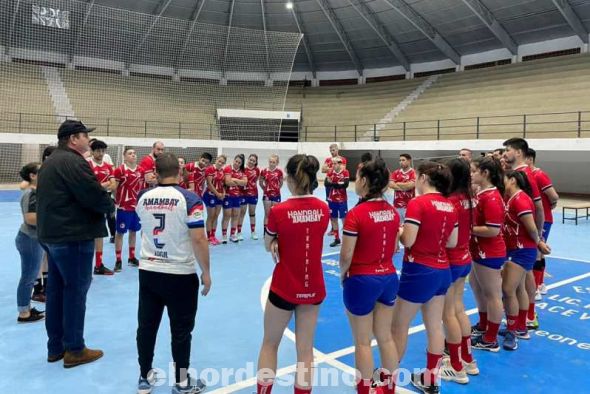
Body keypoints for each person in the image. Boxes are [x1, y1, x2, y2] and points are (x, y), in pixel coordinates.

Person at [37, 120, 115, 368]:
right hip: (72, 236)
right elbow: (92, 195)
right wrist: (109, 203)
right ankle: (75, 349)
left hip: (52, 235)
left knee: (57, 292)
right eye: (84, 136)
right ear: (73, 139)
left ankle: (55, 347)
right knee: (75, 292)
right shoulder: (73, 161)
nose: (88, 141)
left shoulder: (52, 162)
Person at [135, 152, 210, 394]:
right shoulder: (190, 199)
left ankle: (145, 377)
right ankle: (181, 381)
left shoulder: (143, 196)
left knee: (146, 326)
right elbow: (198, 238)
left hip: (149, 270)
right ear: (180, 173)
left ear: (155, 173)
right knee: (181, 330)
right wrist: (206, 272)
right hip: (180, 272)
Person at [257, 154, 329, 394]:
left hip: (284, 286)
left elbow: (268, 245)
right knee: (306, 350)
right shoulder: (323, 209)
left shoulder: (279, 210)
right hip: (313, 286)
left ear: (288, 178)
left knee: (269, 344)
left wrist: (276, 240)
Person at [390, 162, 458, 394]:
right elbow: (452, 242)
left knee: (398, 327)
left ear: (425, 178)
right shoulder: (451, 206)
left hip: (419, 270)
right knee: (434, 326)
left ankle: (386, 383)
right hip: (442, 271)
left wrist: (399, 231)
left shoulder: (417, 203)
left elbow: (408, 240)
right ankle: (431, 379)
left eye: (418, 176)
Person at [339, 158, 400, 394]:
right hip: (388, 277)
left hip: (362, 280)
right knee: (385, 337)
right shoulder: (393, 212)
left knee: (362, 342)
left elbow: (346, 256)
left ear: (364, 180)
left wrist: (344, 276)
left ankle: (364, 390)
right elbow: (394, 247)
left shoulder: (356, 214)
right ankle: (389, 388)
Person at [500, 171, 550, 351]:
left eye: (504, 179)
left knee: (508, 289)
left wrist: (539, 243)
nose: (502, 182)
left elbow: (531, 226)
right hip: (515, 248)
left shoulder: (520, 199)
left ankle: (512, 332)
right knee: (519, 288)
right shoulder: (512, 198)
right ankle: (521, 327)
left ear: (512, 180)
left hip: (522, 250)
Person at [440, 159, 477, 384]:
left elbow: (446, 236)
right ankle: (468, 359)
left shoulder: (451, 201)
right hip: (465, 257)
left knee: (448, 314)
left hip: (452, 260)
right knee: (459, 309)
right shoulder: (468, 199)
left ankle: (455, 366)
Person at [503, 138, 545, 332]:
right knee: (519, 281)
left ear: (519, 152)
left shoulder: (525, 175)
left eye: (508, 150)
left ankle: (527, 317)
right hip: (521, 235)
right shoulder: (518, 176)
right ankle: (524, 320)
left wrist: (538, 239)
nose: (504, 154)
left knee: (516, 283)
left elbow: (539, 205)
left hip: (526, 236)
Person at [469, 157, 506, 353]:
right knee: (477, 287)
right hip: (478, 250)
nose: (471, 174)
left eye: (474, 171)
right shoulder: (482, 194)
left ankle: (491, 338)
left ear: (485, 173)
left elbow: (492, 230)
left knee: (492, 294)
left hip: (489, 252)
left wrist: (469, 229)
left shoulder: (491, 197)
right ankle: (483, 325)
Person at [526, 148, 559, 307]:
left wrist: (548, 207)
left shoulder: (539, 175)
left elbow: (554, 196)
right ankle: (540, 284)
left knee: (538, 252)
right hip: (535, 218)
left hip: (543, 219)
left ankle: (537, 288)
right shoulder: (527, 175)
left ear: (530, 159)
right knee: (538, 251)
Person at [15, 162, 45, 323]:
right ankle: (23, 312)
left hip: (32, 238)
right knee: (29, 276)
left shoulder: (37, 192)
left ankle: (25, 307)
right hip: (30, 240)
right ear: (32, 176)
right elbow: (30, 218)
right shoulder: (31, 194)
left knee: (30, 275)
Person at [112, 148, 144, 271]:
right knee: (120, 233)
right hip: (123, 207)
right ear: (124, 157)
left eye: (134, 153)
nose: (133, 155)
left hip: (136, 207)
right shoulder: (119, 170)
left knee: (133, 231)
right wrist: (118, 201)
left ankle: (131, 257)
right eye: (130, 153)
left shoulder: (140, 170)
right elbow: (115, 188)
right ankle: (118, 260)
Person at [31, 145, 56, 303]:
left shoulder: (55, 174)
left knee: (47, 255)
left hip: (51, 220)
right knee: (39, 256)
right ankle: (37, 288)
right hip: (39, 221)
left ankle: (46, 286)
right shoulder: (41, 175)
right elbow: (25, 186)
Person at [87, 139, 116, 275]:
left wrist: (99, 185)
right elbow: (88, 185)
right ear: (92, 151)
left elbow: (113, 185)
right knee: (87, 234)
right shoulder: (87, 165)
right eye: (98, 150)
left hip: (102, 202)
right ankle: (85, 266)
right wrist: (103, 185)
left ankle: (98, 265)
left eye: (103, 151)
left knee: (99, 234)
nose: (101, 153)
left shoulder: (108, 167)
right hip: (88, 203)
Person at [221, 154, 247, 243]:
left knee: (236, 215)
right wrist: (239, 182)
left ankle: (232, 234)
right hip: (228, 196)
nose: (237, 163)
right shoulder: (228, 168)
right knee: (227, 215)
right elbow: (227, 182)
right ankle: (224, 235)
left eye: (239, 163)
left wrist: (234, 179)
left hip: (237, 196)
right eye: (236, 161)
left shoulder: (242, 171)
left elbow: (245, 183)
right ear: (233, 160)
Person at [324, 157, 350, 247]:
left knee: (344, 219)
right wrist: (338, 184)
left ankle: (346, 239)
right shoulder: (330, 172)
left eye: (335, 163)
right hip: (332, 200)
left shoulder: (345, 172)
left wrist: (333, 184)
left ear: (340, 164)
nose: (333, 165)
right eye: (332, 163)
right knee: (333, 219)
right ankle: (337, 239)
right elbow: (326, 184)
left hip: (342, 200)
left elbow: (346, 185)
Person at [203, 155, 227, 245]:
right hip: (210, 195)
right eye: (219, 161)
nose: (220, 163)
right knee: (211, 216)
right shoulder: (210, 169)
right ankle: (209, 237)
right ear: (216, 160)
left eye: (222, 162)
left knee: (216, 215)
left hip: (220, 195)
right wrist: (217, 194)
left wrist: (223, 193)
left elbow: (223, 184)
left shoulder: (222, 171)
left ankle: (213, 235)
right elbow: (209, 184)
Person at [322, 144, 348, 219]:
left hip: (338, 184)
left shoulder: (342, 159)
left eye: (333, 150)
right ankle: (334, 227)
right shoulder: (327, 159)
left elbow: (342, 170)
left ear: (337, 150)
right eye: (330, 151)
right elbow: (323, 170)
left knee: (340, 203)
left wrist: (329, 168)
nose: (331, 152)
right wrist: (334, 168)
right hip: (329, 183)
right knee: (330, 203)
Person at [239, 154, 261, 240]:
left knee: (252, 213)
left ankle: (253, 232)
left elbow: (256, 180)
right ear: (248, 160)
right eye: (250, 160)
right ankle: (239, 232)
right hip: (243, 194)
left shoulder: (257, 170)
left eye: (253, 160)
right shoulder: (243, 169)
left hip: (253, 194)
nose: (251, 162)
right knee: (242, 213)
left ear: (256, 162)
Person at [260, 154, 284, 232]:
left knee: (275, 214)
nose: (271, 163)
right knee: (267, 214)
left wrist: (276, 189)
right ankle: (265, 232)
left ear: (277, 163)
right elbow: (260, 182)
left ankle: (274, 231)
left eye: (273, 162)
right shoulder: (264, 171)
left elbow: (281, 183)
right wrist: (265, 189)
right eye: (270, 162)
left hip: (276, 195)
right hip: (267, 195)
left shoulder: (279, 172)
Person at [388, 153, 416, 221]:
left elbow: (410, 186)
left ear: (409, 161)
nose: (401, 162)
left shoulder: (413, 172)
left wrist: (397, 183)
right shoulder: (396, 172)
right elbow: (390, 184)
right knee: (398, 227)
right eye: (400, 160)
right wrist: (405, 186)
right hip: (397, 205)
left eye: (403, 160)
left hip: (409, 206)